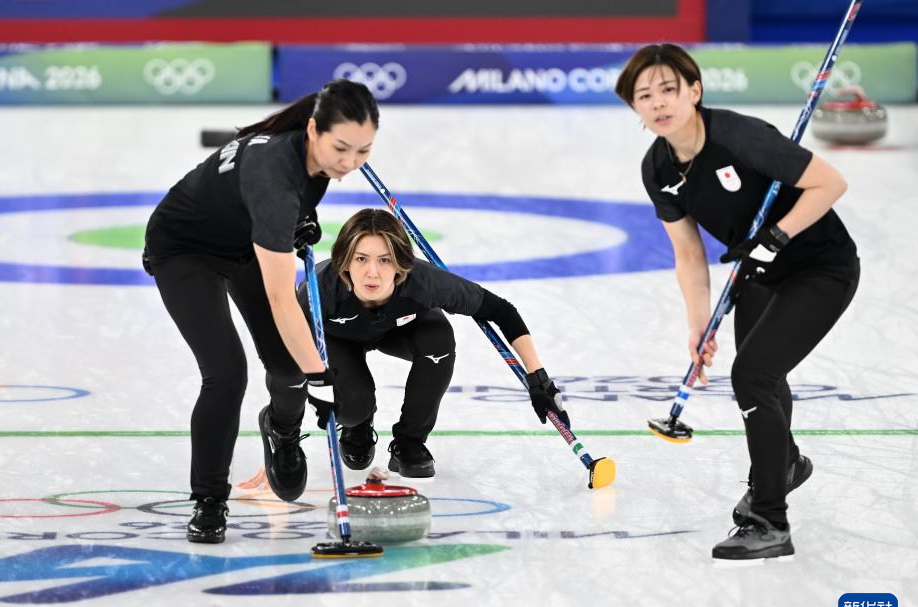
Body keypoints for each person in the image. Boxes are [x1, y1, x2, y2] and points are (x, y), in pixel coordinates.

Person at [615, 44, 860, 561]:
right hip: (761, 273)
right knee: (763, 375)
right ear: (634, 106)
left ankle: (769, 519)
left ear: (694, 91)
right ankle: (785, 464)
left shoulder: (739, 137)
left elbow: (829, 183)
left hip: (820, 266)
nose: (658, 103)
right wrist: (699, 325)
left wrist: (778, 234)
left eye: (668, 89)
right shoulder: (657, 167)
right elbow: (688, 253)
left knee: (753, 376)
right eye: (644, 95)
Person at [143, 80, 379, 544]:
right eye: (341, 148)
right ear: (312, 130)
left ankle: (282, 430)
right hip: (184, 250)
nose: (350, 163)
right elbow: (279, 297)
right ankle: (209, 499)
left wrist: (299, 220)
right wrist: (321, 379)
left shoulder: (311, 161)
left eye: (364, 151)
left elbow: (279, 204)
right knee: (227, 373)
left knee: (288, 366)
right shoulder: (275, 176)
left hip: (244, 242)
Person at [292, 208, 570, 479]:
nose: (372, 272)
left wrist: (538, 378)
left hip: (399, 330)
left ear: (400, 262)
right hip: (338, 338)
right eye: (361, 259)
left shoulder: (423, 281)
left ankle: (409, 441)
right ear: (344, 259)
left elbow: (502, 311)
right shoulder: (320, 288)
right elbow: (285, 344)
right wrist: (295, 411)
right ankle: (358, 423)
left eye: (385, 260)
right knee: (353, 408)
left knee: (438, 339)